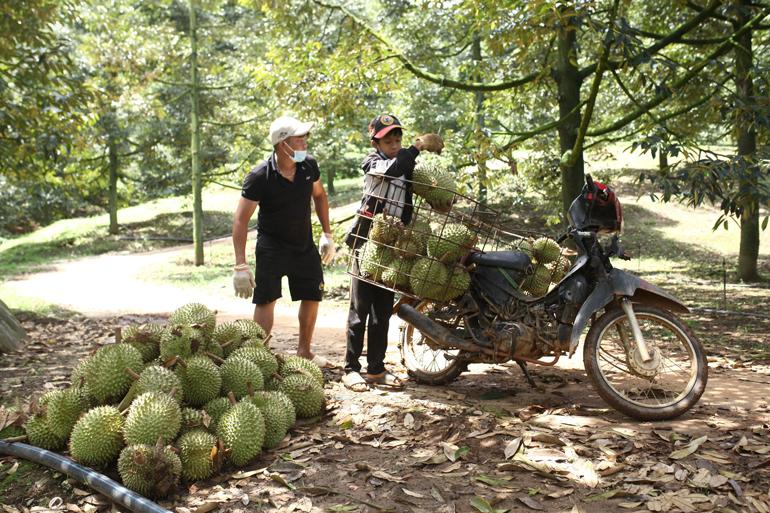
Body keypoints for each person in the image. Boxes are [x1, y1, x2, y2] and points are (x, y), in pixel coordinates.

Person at [342, 113, 444, 391]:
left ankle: (376, 369)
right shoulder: (373, 162)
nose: (395, 144)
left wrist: (441, 197)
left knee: (382, 310)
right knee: (359, 309)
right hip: (367, 241)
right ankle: (350, 368)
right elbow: (394, 170)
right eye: (389, 140)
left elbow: (419, 186)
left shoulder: (405, 164)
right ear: (376, 142)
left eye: (398, 139)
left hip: (393, 248)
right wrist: (417, 147)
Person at [232, 115, 336, 368]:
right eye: (299, 138)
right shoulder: (259, 176)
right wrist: (240, 265)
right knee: (266, 299)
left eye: (305, 137)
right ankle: (258, 356)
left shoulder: (308, 166)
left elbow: (320, 197)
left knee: (313, 294)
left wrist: (327, 234)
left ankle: (304, 352)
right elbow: (240, 221)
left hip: (303, 244)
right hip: (271, 246)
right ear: (282, 143)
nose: (305, 142)